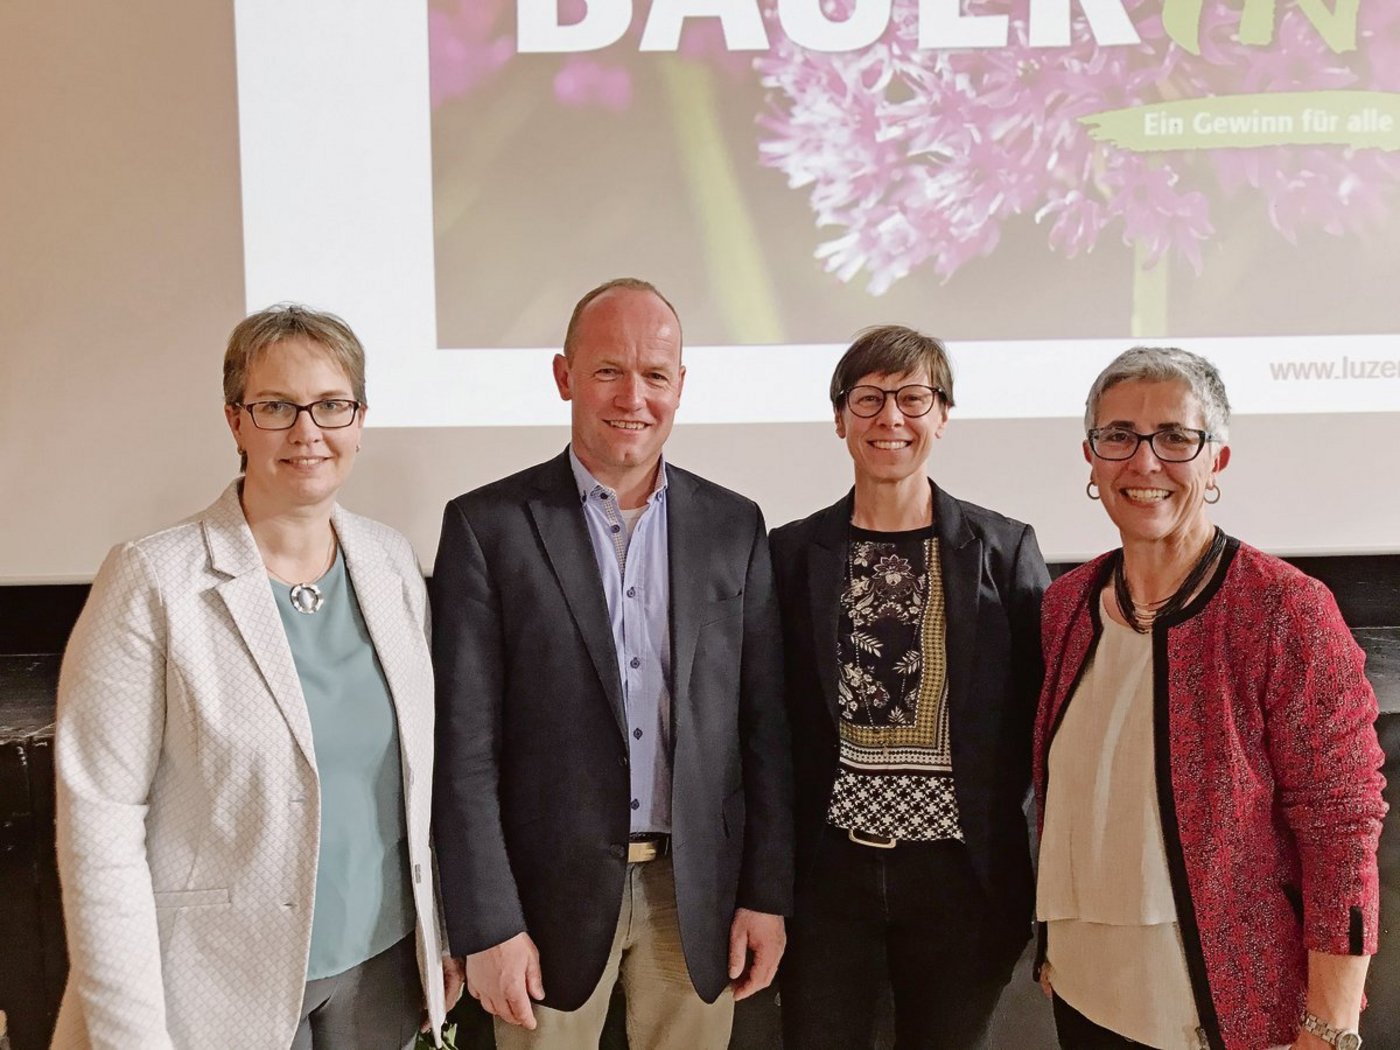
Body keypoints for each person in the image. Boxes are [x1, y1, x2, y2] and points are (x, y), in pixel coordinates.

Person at [52, 305, 462, 1049]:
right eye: (276, 407)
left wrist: (437, 940)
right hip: (215, 985)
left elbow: (412, 789)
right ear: (236, 421)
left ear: (360, 420)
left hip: (383, 971)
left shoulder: (391, 563)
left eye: (332, 405)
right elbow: (99, 826)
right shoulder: (152, 579)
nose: (308, 431)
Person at [431, 277, 794, 1050]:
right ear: (565, 376)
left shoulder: (735, 526)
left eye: (656, 375)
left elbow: (764, 733)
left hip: (691, 898)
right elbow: (462, 753)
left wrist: (766, 895)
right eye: (608, 370)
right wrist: (488, 921)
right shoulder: (487, 528)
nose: (634, 396)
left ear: (681, 387)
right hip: (540, 907)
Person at [1034, 347, 1387, 1050]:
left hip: (1230, 1009)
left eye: (1175, 438)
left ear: (1215, 460)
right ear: (1091, 458)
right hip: (1082, 985)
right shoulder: (1067, 606)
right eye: (1118, 437)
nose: (1145, 462)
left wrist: (1332, 1024)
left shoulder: (1285, 611)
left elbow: (1342, 826)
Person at [769, 325, 1049, 1049]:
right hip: (826, 877)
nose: (890, 418)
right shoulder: (791, 553)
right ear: (839, 419)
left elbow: (1040, 714)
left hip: (962, 877)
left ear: (943, 415)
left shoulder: (1003, 549)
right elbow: (765, 726)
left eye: (913, 398)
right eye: (868, 400)